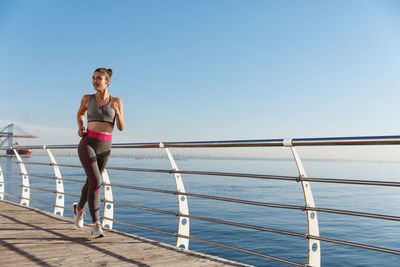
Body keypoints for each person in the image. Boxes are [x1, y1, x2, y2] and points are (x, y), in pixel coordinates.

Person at [73, 68, 125, 238]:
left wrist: (117, 111)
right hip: (88, 143)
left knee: (91, 182)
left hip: (105, 147)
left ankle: (79, 209)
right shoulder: (87, 98)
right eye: (93, 78)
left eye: (99, 78)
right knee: (96, 180)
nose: (94, 81)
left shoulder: (117, 100)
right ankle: (96, 224)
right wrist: (80, 126)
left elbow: (121, 127)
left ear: (107, 81)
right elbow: (81, 113)